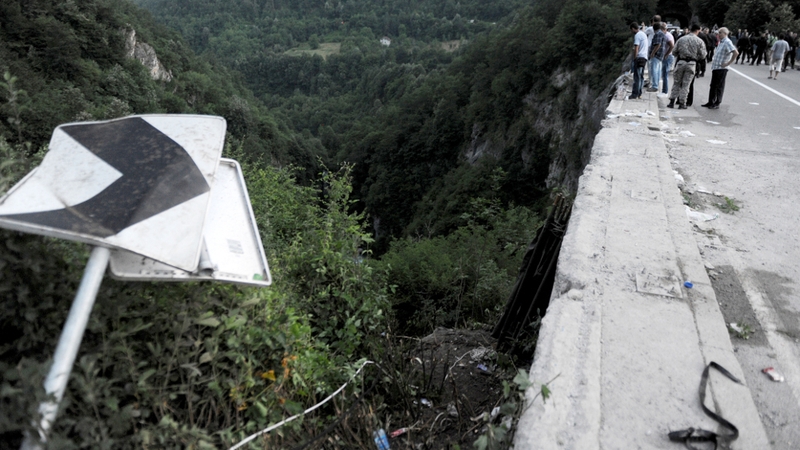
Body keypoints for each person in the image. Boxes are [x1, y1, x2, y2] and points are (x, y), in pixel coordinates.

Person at [668, 24, 707, 109]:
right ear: (697, 31)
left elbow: (674, 51)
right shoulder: (699, 41)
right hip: (692, 63)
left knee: (677, 82)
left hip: (681, 62)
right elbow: (703, 55)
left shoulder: (681, 39)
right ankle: (682, 103)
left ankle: (672, 101)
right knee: (686, 84)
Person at [702, 27, 738, 109]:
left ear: (725, 34)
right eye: (718, 33)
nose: (718, 34)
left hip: (721, 68)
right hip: (716, 67)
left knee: (718, 86)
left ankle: (717, 102)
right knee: (713, 85)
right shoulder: (721, 42)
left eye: (720, 33)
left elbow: (735, 52)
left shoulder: (727, 42)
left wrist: (728, 63)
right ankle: (710, 101)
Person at [629, 22, 649, 99]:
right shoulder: (643, 34)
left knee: (637, 77)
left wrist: (635, 58)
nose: (631, 32)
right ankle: (639, 93)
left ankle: (634, 94)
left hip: (639, 57)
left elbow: (636, 47)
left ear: (633, 29)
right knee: (641, 76)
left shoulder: (637, 35)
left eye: (631, 30)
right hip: (644, 57)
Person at [648, 21, 666, 92]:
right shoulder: (662, 34)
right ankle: (656, 85)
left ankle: (654, 86)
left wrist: (652, 53)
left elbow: (658, 44)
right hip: (661, 55)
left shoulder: (658, 34)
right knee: (658, 70)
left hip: (656, 55)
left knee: (654, 70)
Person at [661, 22, 675, 95]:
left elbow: (672, 46)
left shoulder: (667, 36)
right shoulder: (665, 35)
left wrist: (666, 54)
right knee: (664, 74)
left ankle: (665, 91)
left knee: (665, 74)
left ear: (665, 29)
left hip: (668, 57)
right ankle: (664, 89)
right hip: (666, 56)